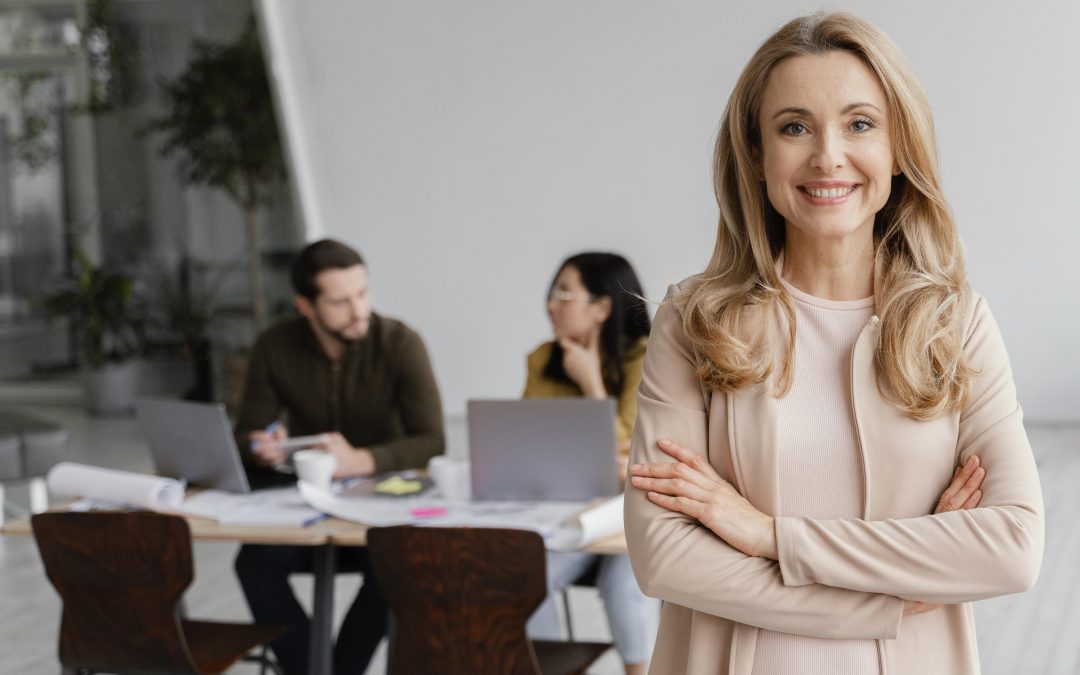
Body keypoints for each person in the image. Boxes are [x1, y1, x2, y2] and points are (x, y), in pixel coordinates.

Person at [625, 12, 1043, 675]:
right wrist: (896, 591)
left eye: (860, 124)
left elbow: (1012, 546)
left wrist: (768, 536)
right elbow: (664, 557)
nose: (827, 156)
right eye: (794, 127)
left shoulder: (957, 323)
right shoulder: (693, 321)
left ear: (899, 148)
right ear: (757, 156)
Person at [233, 239, 444, 675]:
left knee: (394, 567)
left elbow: (432, 440)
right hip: (305, 498)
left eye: (363, 293)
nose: (358, 310)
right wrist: (261, 445)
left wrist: (362, 460)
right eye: (340, 301)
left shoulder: (400, 343)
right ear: (306, 306)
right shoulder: (275, 347)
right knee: (252, 565)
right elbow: (247, 434)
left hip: (382, 498)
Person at [524, 252, 657, 675]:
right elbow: (529, 442)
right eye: (553, 292)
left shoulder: (650, 357)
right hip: (566, 508)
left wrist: (591, 384)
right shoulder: (542, 360)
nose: (551, 304)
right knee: (522, 576)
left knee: (623, 585)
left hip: (636, 509)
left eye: (564, 293)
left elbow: (635, 448)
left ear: (602, 307)